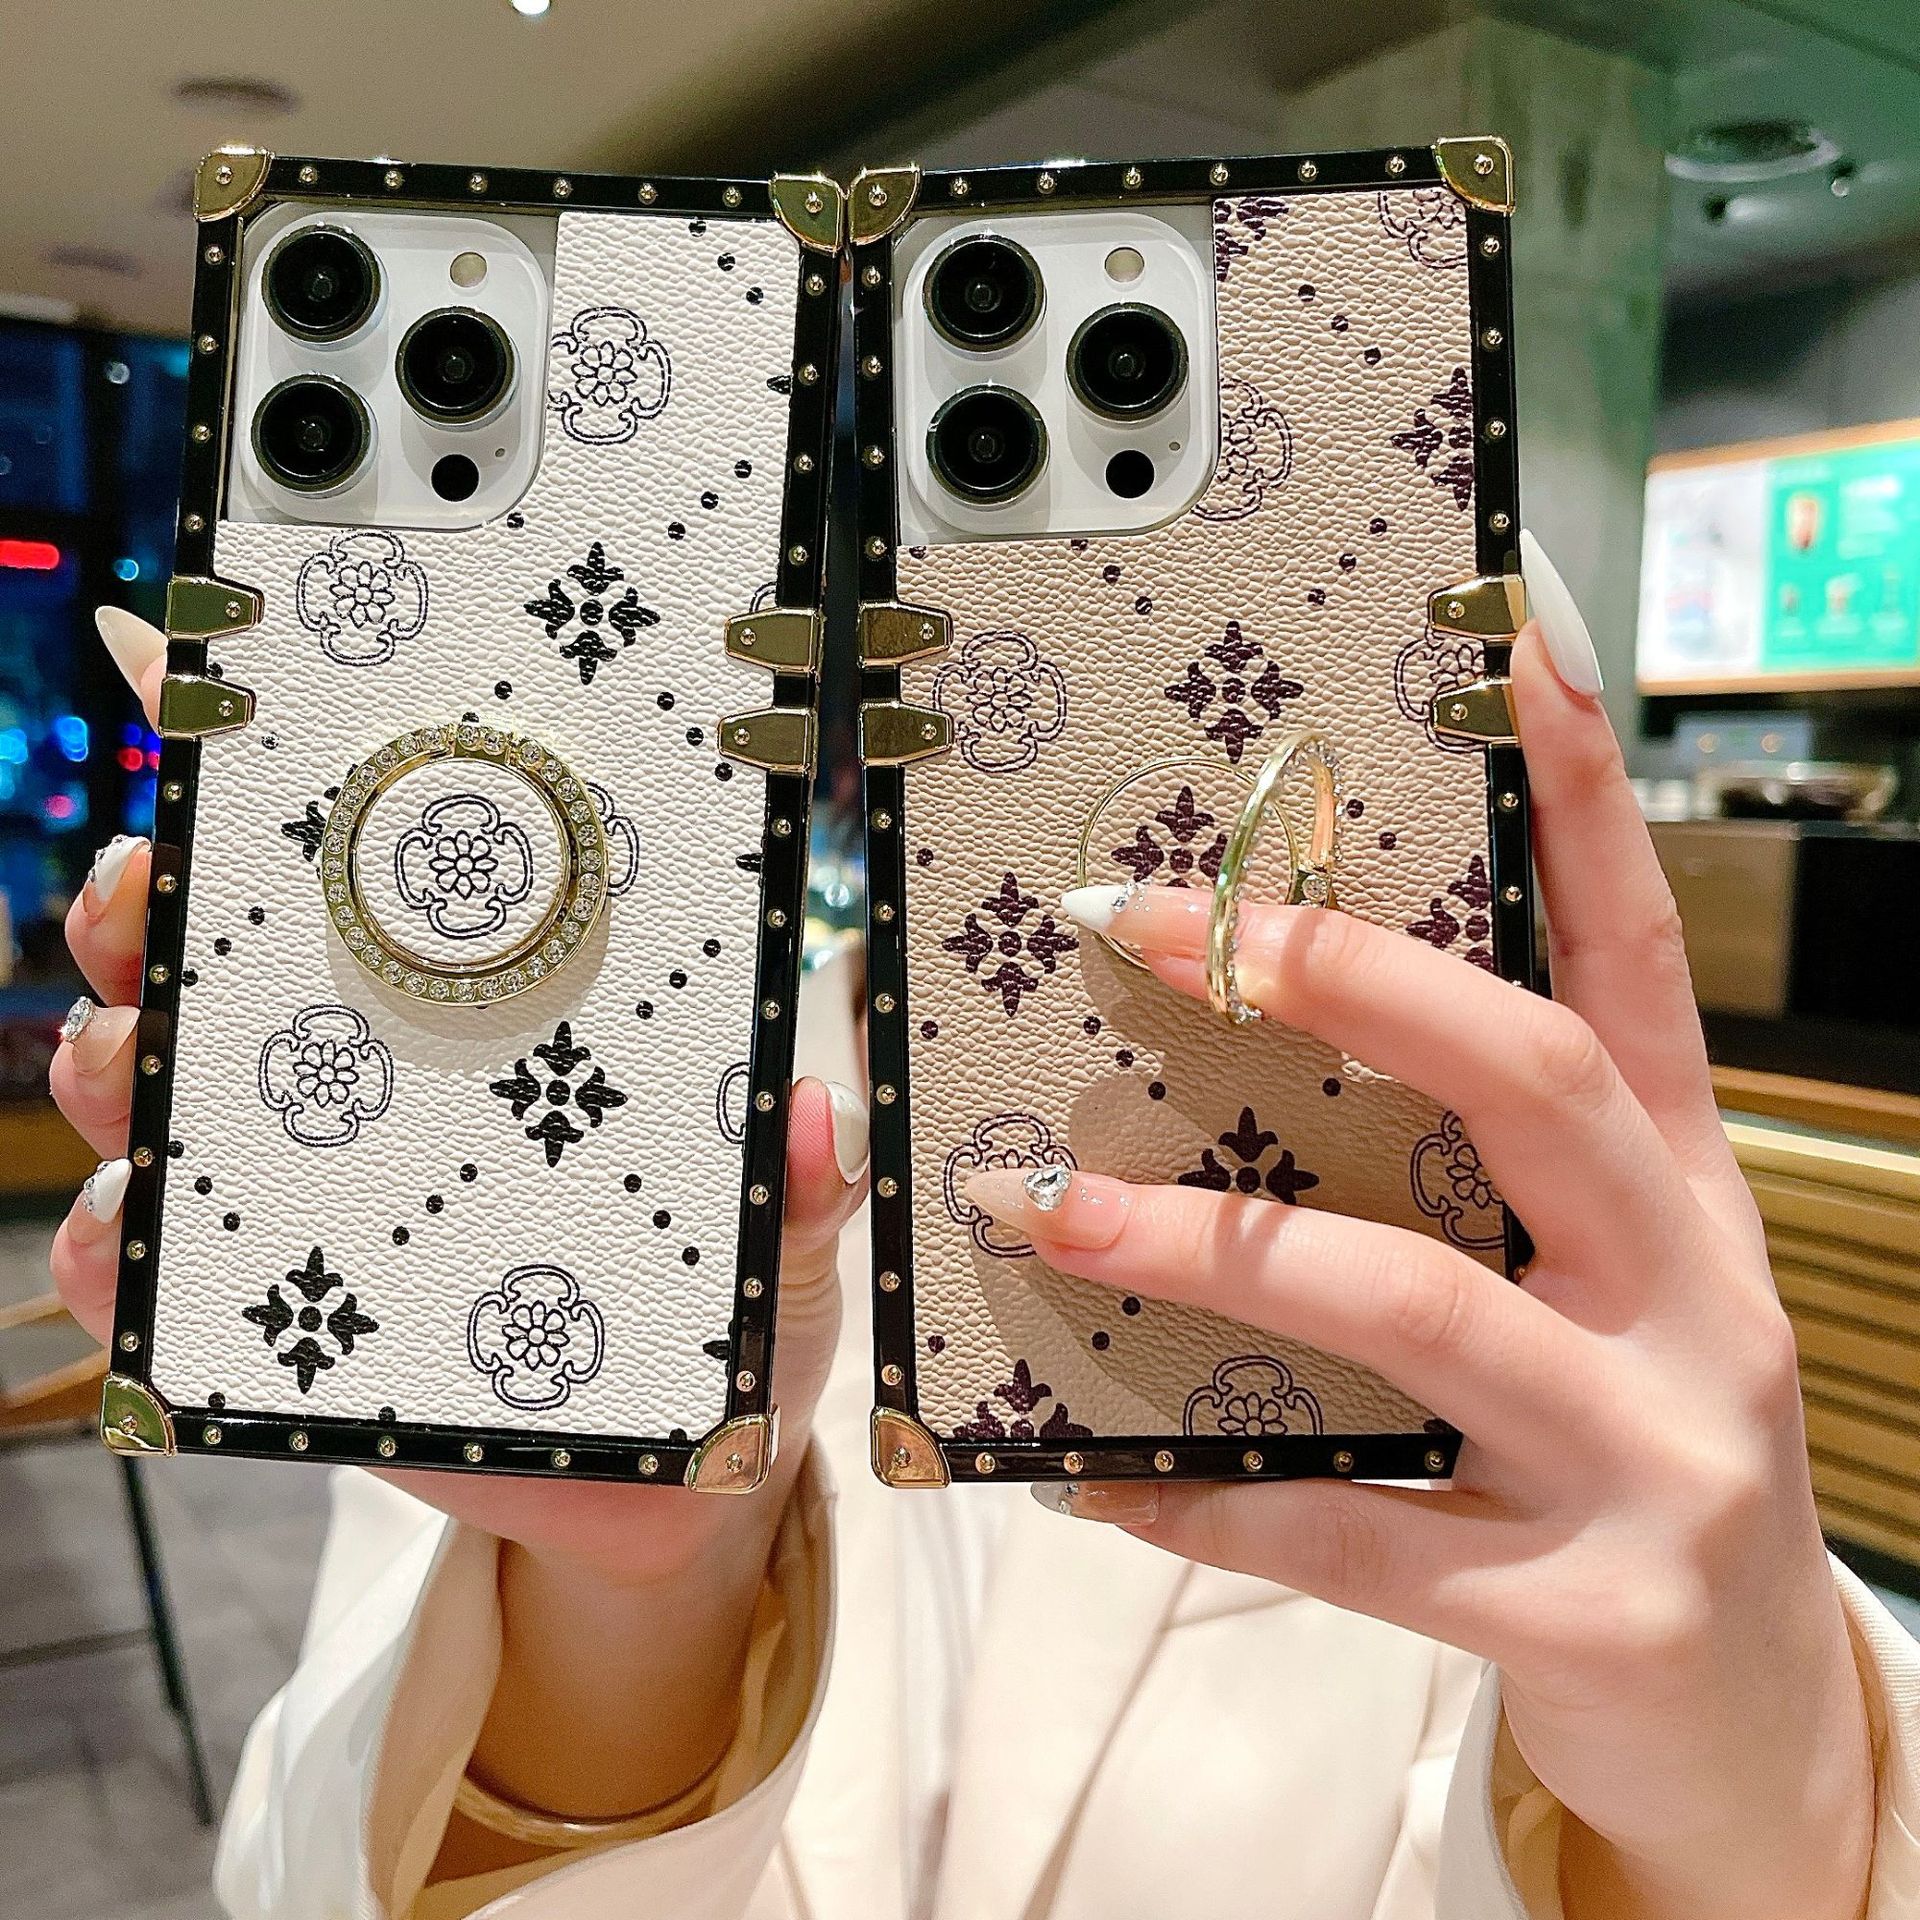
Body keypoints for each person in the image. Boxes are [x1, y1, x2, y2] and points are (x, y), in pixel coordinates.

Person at [50, 546, 1918, 1919]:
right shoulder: (600, 1155)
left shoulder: (1468, 1225)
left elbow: (1583, 1780)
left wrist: (1762, 1820)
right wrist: (633, 1604)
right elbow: (311, 1872)